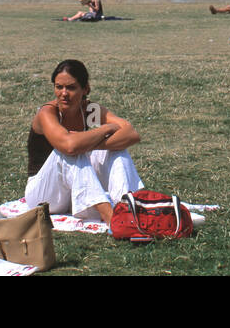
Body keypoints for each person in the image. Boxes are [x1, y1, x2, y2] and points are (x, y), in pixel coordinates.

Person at [24, 59, 142, 223]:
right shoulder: (48, 112)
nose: (64, 93)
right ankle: (110, 218)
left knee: (117, 148)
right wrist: (106, 129)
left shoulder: (89, 110)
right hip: (43, 195)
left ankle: (128, 205)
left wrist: (94, 146)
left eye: (71, 87)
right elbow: (70, 146)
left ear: (85, 89)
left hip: (72, 191)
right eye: (59, 87)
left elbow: (131, 134)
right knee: (69, 151)